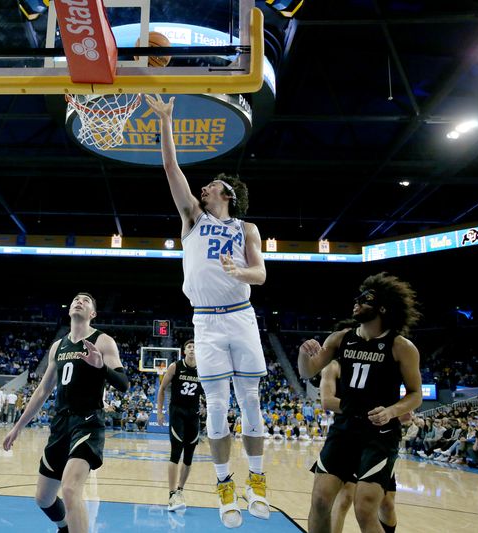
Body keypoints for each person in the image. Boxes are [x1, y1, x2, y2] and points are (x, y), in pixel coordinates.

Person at [146, 94, 269, 528]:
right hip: (206, 321)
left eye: (211, 186)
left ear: (228, 194)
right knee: (215, 406)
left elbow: (261, 276)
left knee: (250, 400)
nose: (203, 189)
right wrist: (166, 122)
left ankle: (258, 482)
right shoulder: (193, 219)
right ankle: (224, 489)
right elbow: (171, 170)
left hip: (240, 314)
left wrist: (240, 270)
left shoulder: (245, 228)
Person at [298, 272, 423, 533]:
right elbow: (307, 371)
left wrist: (392, 411)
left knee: (365, 507)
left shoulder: (402, 347)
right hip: (344, 429)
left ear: (382, 308)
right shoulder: (340, 339)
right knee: (321, 499)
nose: (356, 302)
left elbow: (415, 394)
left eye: (364, 299)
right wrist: (302, 354)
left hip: (380, 434)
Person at [3, 293, 128, 533]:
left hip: (88, 422)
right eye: (76, 299)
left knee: (70, 490)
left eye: (86, 300)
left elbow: (123, 383)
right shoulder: (57, 347)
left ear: (93, 313)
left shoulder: (103, 341)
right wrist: (17, 427)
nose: (79, 301)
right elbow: (41, 392)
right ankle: (64, 527)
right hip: (61, 424)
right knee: (42, 498)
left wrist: (101, 366)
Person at [318, 352, 403, 533]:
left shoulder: (382, 365)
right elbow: (327, 401)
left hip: (380, 440)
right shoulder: (334, 366)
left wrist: (392, 412)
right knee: (345, 499)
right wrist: (368, 411)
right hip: (348, 435)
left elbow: (403, 410)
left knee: (387, 503)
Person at [156, 339, 203, 512]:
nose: (192, 349)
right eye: (189, 347)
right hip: (177, 413)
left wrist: (206, 406)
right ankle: (171, 494)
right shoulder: (175, 366)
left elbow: (207, 391)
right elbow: (162, 389)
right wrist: (160, 412)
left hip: (193, 415)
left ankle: (180, 491)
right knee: (176, 452)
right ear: (184, 351)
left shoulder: (203, 370)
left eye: (194, 347)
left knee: (189, 456)